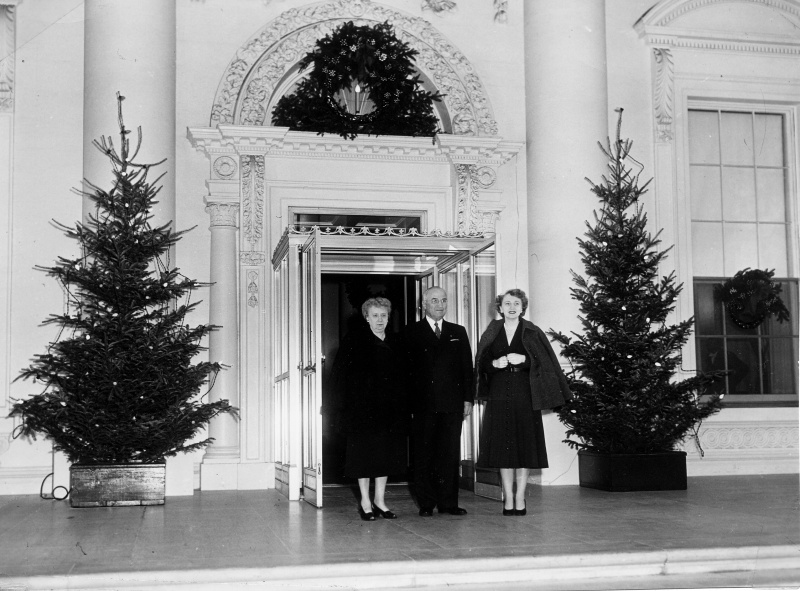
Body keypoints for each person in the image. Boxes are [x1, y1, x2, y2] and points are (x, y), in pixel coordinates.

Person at [475, 288, 572, 516]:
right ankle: (508, 498)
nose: (511, 307)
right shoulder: (491, 331)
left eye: (516, 304)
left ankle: (520, 497)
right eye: (507, 303)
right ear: (500, 308)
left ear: (522, 307)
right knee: (503, 449)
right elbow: (482, 363)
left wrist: (525, 360)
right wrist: (494, 364)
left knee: (525, 447)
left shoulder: (532, 331)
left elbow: (546, 363)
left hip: (525, 394)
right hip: (499, 394)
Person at [329, 297, 409, 521]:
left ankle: (380, 501)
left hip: (388, 410)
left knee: (384, 456)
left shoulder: (396, 341)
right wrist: (341, 408)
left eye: (384, 315)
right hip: (361, 411)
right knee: (363, 457)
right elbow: (340, 377)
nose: (380, 320)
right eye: (375, 315)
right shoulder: (354, 341)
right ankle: (365, 502)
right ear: (366, 317)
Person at [405, 286, 474, 517]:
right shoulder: (411, 332)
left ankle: (448, 503)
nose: (440, 305)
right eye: (434, 300)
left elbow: (467, 368)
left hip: (452, 404)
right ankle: (426, 503)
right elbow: (405, 371)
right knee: (424, 454)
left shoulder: (458, 331)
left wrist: (468, 398)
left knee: (449, 454)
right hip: (422, 405)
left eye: (443, 300)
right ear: (424, 304)